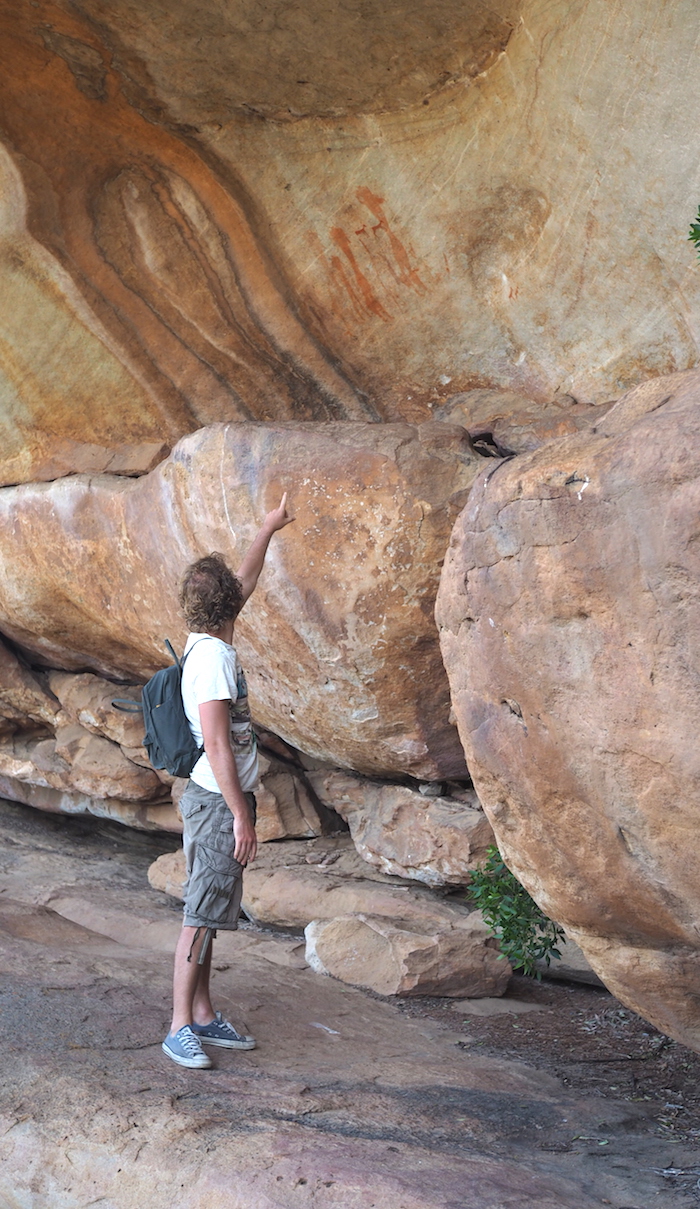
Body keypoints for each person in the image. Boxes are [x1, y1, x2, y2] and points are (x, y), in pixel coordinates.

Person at [162, 493, 295, 1069]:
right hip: (218, 803)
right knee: (200, 912)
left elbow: (244, 579)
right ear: (226, 609)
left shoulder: (205, 641)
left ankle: (204, 1016)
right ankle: (177, 1027)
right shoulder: (214, 658)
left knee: (211, 910)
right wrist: (241, 814)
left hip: (214, 798)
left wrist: (268, 527)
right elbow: (217, 742)